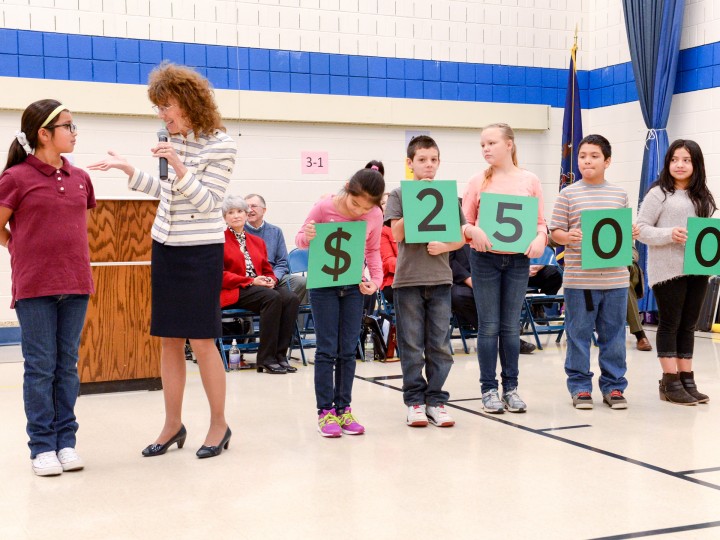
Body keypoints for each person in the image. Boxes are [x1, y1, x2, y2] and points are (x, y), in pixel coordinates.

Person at [88, 62, 236, 458]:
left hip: (201, 251)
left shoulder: (221, 145)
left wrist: (178, 162)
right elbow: (169, 192)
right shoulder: (175, 141)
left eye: (165, 106)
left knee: (203, 340)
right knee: (168, 339)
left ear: (188, 104)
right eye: (158, 107)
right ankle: (173, 424)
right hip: (166, 246)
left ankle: (219, 425)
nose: (161, 115)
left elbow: (207, 202)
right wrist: (129, 170)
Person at [0, 99, 94, 476]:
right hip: (34, 286)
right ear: (44, 133)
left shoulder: (82, 178)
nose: (73, 133)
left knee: (67, 366)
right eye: (68, 126)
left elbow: (75, 229)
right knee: (40, 368)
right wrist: (17, 245)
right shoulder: (15, 178)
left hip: (76, 284)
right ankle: (42, 446)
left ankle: (66, 442)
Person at [462, 123, 547, 414]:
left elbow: (539, 221)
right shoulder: (477, 181)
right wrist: (473, 231)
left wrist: (540, 238)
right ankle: (488, 389)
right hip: (484, 259)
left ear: (509, 144)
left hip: (518, 261)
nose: (486, 148)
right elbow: (465, 222)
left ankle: (511, 388)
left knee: (511, 326)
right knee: (489, 326)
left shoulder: (529, 180)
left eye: (491, 143)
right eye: (482, 144)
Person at [550, 134, 638, 410]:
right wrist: (568, 237)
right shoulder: (568, 194)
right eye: (582, 156)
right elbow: (554, 233)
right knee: (578, 334)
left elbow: (624, 238)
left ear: (607, 161)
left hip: (615, 280)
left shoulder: (619, 194)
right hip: (579, 280)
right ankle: (579, 387)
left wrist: (630, 232)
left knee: (613, 337)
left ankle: (613, 387)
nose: (587, 160)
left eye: (594, 156)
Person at [296, 167, 385, 438]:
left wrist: (376, 281)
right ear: (346, 187)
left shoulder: (375, 215)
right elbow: (300, 240)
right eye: (355, 203)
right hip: (324, 286)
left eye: (365, 207)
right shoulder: (324, 207)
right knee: (326, 349)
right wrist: (308, 237)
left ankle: (344, 408)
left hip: (354, 287)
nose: (359, 211)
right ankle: (325, 412)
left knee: (348, 349)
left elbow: (372, 249)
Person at [385, 135, 465, 428]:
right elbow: (397, 234)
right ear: (410, 164)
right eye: (422, 160)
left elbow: (458, 239)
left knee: (440, 345)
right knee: (411, 344)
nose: (428, 165)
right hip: (408, 281)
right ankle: (414, 401)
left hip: (441, 279)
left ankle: (437, 401)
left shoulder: (448, 196)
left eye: (433, 160)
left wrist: (445, 247)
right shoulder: (398, 194)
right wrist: (417, 196)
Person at [637, 139, 716, 405]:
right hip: (667, 269)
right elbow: (642, 229)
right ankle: (669, 381)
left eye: (686, 160)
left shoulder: (703, 195)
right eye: (674, 159)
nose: (679, 165)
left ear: (696, 164)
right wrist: (669, 234)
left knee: (689, 325)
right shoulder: (658, 193)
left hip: (698, 267)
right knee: (670, 323)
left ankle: (686, 378)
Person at [221, 195, 301, 373]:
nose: (236, 216)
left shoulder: (257, 242)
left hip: (259, 287)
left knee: (291, 298)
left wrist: (270, 279)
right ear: (225, 217)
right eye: (231, 212)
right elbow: (219, 275)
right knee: (272, 298)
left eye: (240, 211)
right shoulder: (219, 241)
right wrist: (250, 280)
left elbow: (266, 269)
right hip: (235, 289)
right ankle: (265, 358)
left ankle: (280, 355)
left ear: (246, 213)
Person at [449, 244, 537, 354]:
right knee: (458, 295)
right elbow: (449, 261)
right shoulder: (456, 230)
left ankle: (509, 331)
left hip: (491, 276)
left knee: (505, 289)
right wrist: (469, 279)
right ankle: (504, 336)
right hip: (463, 281)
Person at [244, 193, 308, 303]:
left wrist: (274, 278)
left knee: (302, 282)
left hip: (274, 275)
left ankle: (289, 315)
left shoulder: (275, 231)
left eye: (253, 206)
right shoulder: (238, 231)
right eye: (246, 207)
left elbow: (282, 262)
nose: (249, 210)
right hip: (250, 278)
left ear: (264, 210)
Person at [627, 247, 652, 351]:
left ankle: (639, 334)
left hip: (618, 270)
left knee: (626, 274)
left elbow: (634, 251)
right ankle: (640, 334)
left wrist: (630, 257)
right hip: (591, 271)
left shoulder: (623, 230)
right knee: (625, 285)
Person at [380, 191, 397, 305]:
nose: (386, 205)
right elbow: (388, 262)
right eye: (383, 203)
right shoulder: (383, 231)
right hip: (393, 280)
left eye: (389, 202)